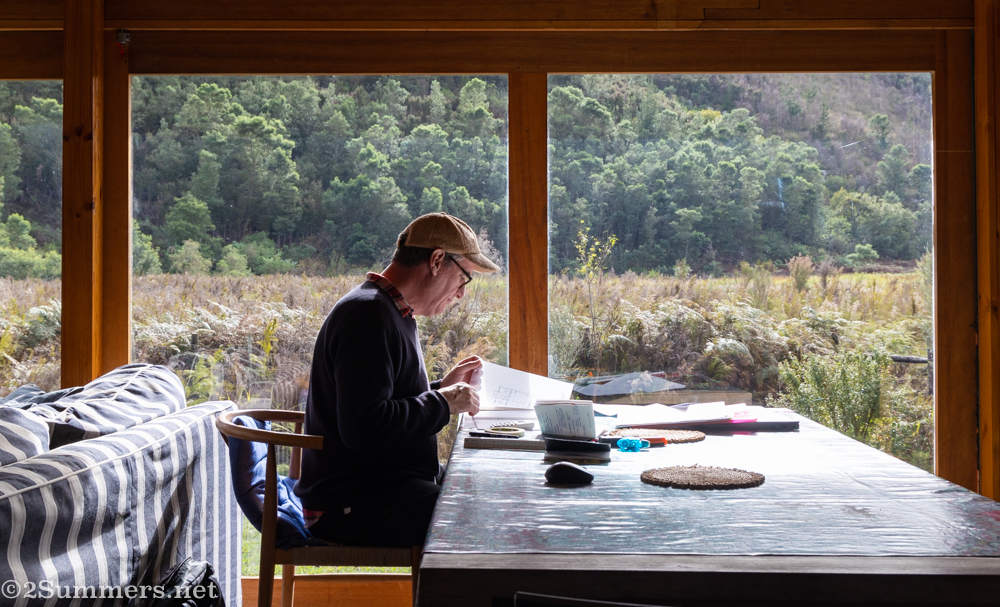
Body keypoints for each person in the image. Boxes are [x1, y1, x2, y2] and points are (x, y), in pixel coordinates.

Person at [294, 212, 500, 548]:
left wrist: (437, 389)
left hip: (380, 486)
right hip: (352, 504)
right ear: (436, 260)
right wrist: (443, 402)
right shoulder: (367, 315)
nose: (461, 294)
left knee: (482, 487)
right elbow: (364, 426)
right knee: (476, 515)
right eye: (464, 278)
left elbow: (379, 402)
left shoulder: (387, 310)